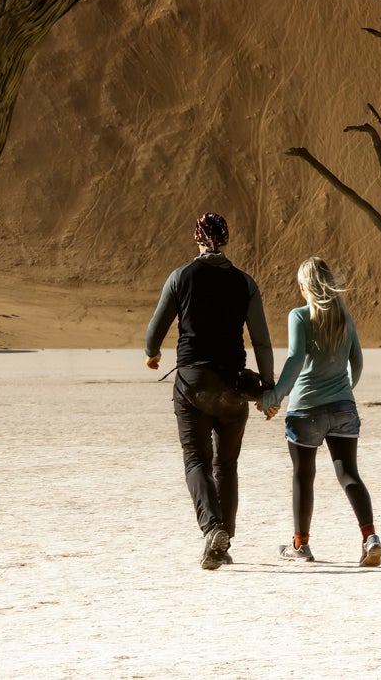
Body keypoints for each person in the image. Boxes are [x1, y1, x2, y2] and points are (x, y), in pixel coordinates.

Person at [144, 211, 275, 570]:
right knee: (226, 465)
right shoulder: (245, 283)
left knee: (196, 460)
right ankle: (223, 540)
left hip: (193, 383)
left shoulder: (180, 277)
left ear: (197, 239)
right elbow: (261, 341)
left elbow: (154, 332)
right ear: (226, 239)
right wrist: (267, 388)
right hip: (234, 385)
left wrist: (152, 355)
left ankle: (212, 528)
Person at [261, 257, 381, 567]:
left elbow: (294, 360)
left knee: (303, 476)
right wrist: (344, 391)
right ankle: (370, 538)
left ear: (304, 286)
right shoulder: (345, 317)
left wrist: (275, 396)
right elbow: (357, 362)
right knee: (348, 473)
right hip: (343, 409)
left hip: (305, 412)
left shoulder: (299, 317)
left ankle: (300, 545)